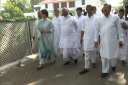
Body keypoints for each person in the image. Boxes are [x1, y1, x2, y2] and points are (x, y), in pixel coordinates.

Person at [94, 4, 124, 79]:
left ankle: (113, 65)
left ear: (110, 9)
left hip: (113, 41)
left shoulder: (115, 18)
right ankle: (105, 71)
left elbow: (119, 30)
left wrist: (121, 40)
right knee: (104, 57)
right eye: (104, 9)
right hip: (103, 41)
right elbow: (96, 30)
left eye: (106, 9)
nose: (104, 11)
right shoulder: (99, 19)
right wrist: (95, 40)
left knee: (113, 56)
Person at [79, 5, 97, 75]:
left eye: (90, 9)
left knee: (93, 51)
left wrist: (97, 39)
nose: (88, 11)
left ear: (92, 10)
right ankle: (86, 67)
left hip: (94, 38)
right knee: (86, 53)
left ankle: (94, 62)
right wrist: (81, 37)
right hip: (86, 38)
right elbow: (82, 29)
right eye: (87, 9)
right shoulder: (84, 19)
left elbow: (98, 30)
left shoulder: (96, 18)